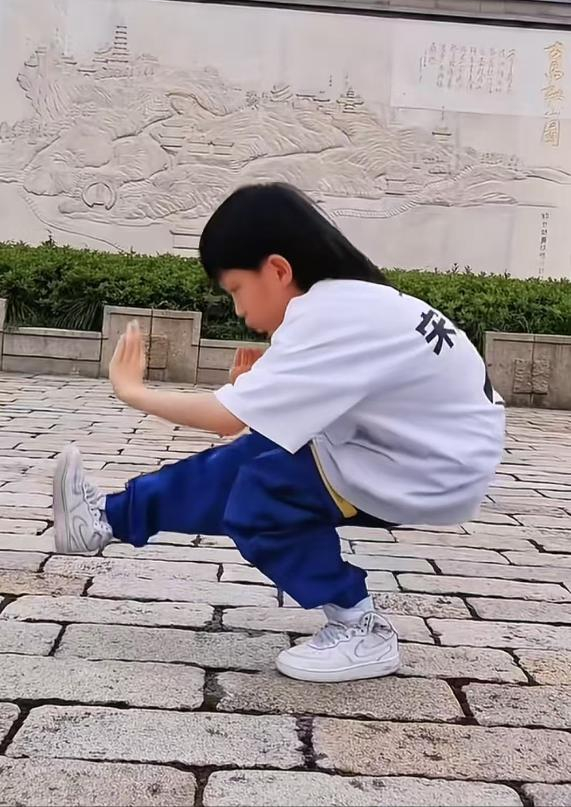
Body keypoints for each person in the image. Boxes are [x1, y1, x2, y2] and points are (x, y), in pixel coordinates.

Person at [53, 182, 505, 683]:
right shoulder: (353, 302)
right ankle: (105, 518)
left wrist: (133, 391)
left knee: (261, 494)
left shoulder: (327, 314)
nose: (239, 311)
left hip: (427, 468)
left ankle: (360, 627)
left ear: (277, 270)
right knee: (250, 461)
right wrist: (259, 396)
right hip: (430, 453)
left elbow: (226, 417)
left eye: (236, 290)